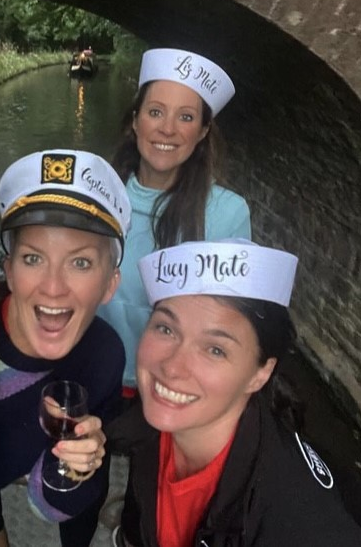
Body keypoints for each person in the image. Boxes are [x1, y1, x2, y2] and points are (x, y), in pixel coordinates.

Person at [114, 240, 361, 546]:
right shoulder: (157, 421)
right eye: (166, 329)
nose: (172, 367)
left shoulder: (299, 526)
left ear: (260, 373)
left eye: (215, 349)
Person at [0, 150, 131, 547]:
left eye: (81, 263)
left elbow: (49, 504)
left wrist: (76, 467)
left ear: (110, 284)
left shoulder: (103, 355)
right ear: (10, 272)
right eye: (33, 258)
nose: (53, 287)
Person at [97, 48, 251, 449]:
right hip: (93, 374)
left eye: (185, 117)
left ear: (202, 132)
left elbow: (234, 321)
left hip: (172, 389)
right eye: (155, 112)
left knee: (147, 502)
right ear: (135, 121)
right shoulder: (97, 195)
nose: (167, 129)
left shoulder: (227, 214)